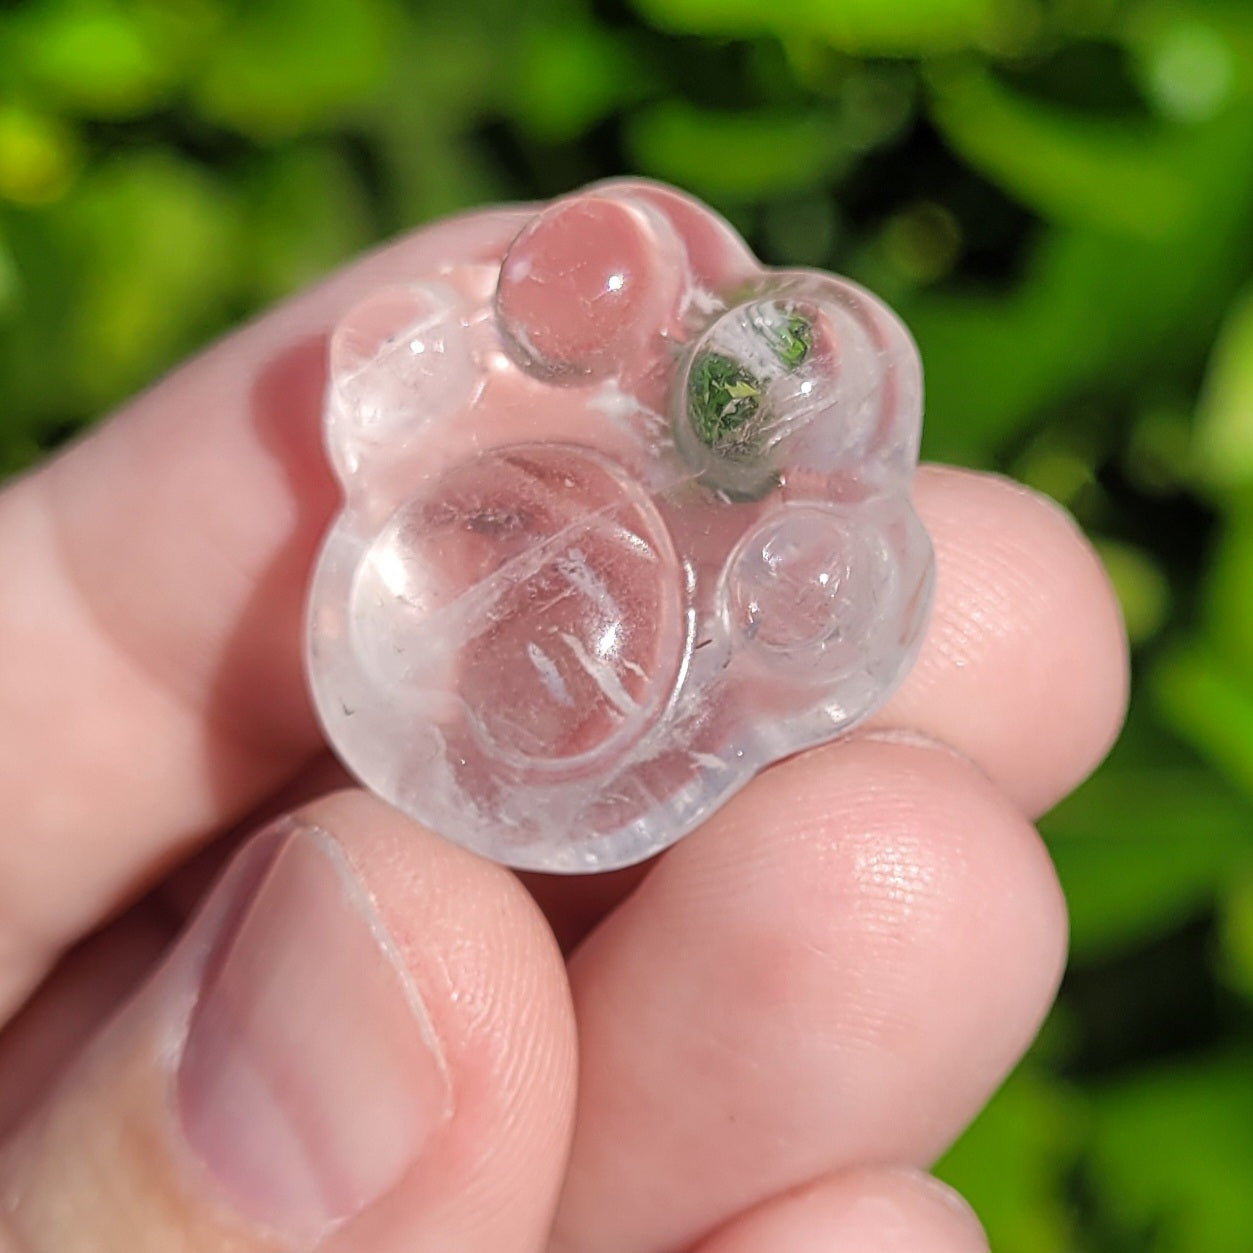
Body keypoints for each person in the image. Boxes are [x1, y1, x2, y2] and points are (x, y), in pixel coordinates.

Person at [0, 200, 1128, 1253]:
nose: (749, 388)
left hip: (607, 692)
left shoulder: (772, 577)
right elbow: (392, 385)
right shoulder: (553, 437)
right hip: (464, 649)